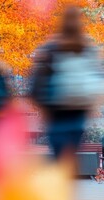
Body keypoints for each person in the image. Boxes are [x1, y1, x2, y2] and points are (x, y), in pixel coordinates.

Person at [31, 6, 103, 161]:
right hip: (78, 115)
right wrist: (89, 110)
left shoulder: (50, 49)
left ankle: (60, 182)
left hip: (55, 115)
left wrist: (44, 111)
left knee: (59, 160)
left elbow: (35, 87)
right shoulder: (88, 49)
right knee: (69, 161)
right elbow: (97, 84)